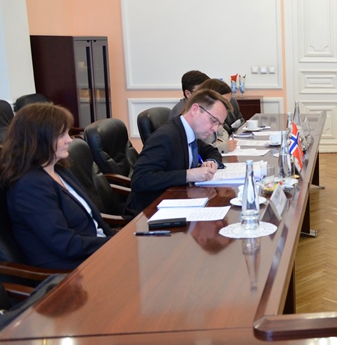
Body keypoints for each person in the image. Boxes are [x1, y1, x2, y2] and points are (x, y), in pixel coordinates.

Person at [0, 103, 114, 269]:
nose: (70, 140)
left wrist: (120, 240)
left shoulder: (58, 168)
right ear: (38, 140)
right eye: (61, 135)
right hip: (71, 269)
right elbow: (65, 244)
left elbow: (93, 221)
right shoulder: (29, 186)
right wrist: (115, 243)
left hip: (95, 251)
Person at [127, 89, 230, 216]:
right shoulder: (166, 136)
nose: (215, 129)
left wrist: (211, 161)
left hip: (179, 201)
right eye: (213, 120)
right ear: (195, 110)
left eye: (219, 124)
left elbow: (211, 151)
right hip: (151, 212)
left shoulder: (190, 132)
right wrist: (188, 175)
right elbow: (140, 180)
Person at [192, 79, 238, 153]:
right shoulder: (200, 120)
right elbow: (200, 150)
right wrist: (222, 146)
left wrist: (219, 142)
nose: (226, 107)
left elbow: (224, 133)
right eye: (224, 102)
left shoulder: (216, 117)